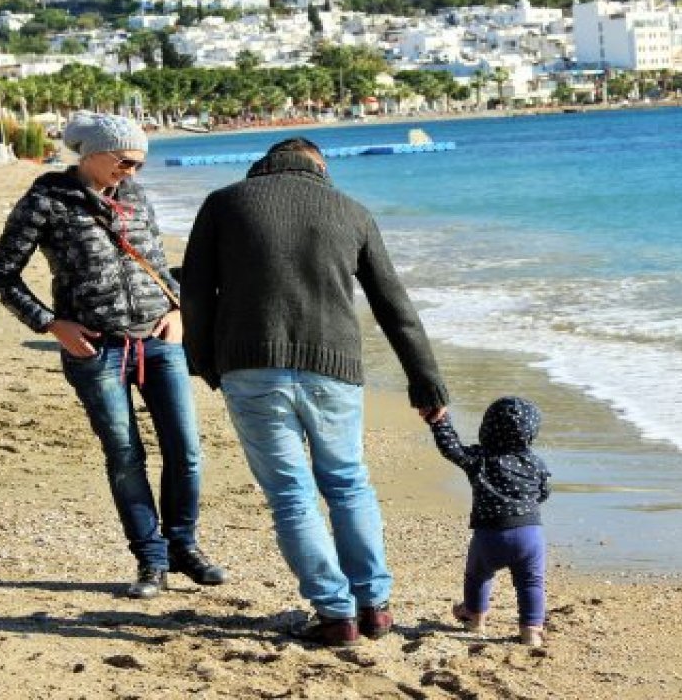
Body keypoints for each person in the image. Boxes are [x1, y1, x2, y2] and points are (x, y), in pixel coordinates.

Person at [180, 136, 449, 648]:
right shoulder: (351, 210)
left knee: (290, 495)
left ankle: (335, 615)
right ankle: (375, 607)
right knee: (348, 483)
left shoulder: (224, 203)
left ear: (263, 166)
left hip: (250, 366)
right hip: (335, 368)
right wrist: (425, 380)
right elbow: (395, 305)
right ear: (319, 166)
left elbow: (195, 290)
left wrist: (205, 362)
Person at [0, 111, 227, 600]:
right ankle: (151, 559)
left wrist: (178, 308)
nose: (133, 172)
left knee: (187, 450)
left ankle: (183, 545)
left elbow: (158, 265)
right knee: (124, 456)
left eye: (139, 163)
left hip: (159, 342)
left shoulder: (137, 197)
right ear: (92, 154)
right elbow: (1, 274)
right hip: (94, 349)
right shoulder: (44, 201)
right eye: (125, 161)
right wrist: (50, 323)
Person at [429, 397, 551, 647]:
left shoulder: (480, 459)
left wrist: (440, 421)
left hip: (489, 535)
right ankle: (531, 629)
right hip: (529, 534)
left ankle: (474, 616)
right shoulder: (535, 462)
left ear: (486, 428)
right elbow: (544, 492)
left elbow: (451, 448)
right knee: (531, 582)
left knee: (478, 576)